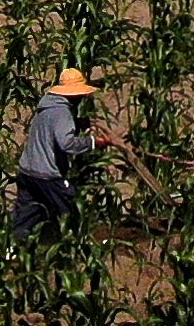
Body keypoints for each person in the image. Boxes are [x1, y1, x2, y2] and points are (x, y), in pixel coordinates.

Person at [8, 66, 116, 244]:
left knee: (27, 215)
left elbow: (51, 133)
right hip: (47, 175)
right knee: (70, 207)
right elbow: (67, 144)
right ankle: (78, 245)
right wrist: (94, 142)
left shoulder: (45, 109)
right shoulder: (62, 113)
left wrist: (78, 124)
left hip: (27, 171)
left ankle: (11, 251)